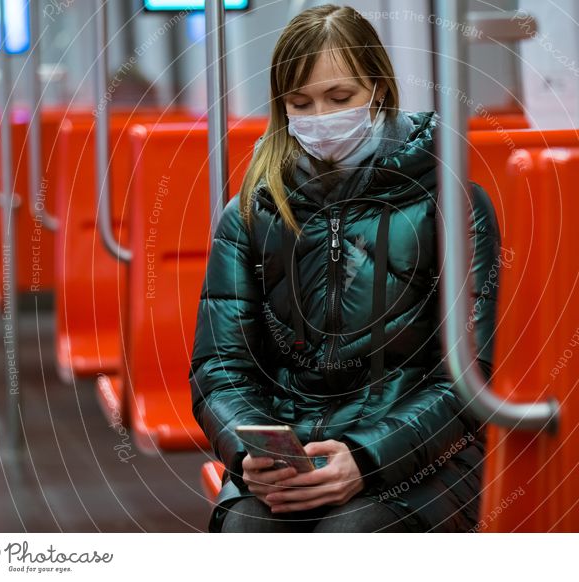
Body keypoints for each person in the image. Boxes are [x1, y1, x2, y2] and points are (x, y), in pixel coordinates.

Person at [189, 3, 501, 533]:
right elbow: (220, 370)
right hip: (291, 455)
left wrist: (366, 458)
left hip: (423, 454)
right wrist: (251, 454)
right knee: (246, 532)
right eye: (301, 102)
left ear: (378, 89)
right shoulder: (252, 212)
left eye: (340, 98)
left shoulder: (452, 204)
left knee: (350, 537)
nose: (320, 117)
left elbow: (468, 380)